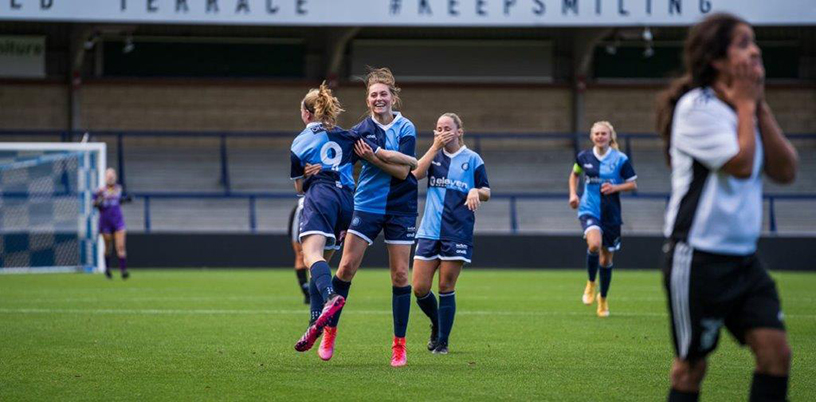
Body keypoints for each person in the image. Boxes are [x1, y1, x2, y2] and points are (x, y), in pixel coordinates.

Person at [656, 13, 798, 402]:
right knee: (691, 368)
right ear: (717, 59)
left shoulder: (745, 107)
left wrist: (759, 106)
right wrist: (748, 107)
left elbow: (786, 171)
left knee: (776, 354)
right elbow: (738, 165)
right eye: (743, 43)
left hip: (744, 261)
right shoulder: (696, 107)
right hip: (698, 260)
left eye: (754, 41)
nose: (755, 50)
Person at [290, 82, 410, 355]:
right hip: (347, 201)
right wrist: (414, 162)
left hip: (321, 197)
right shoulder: (345, 135)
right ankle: (315, 322)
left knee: (312, 256)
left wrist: (311, 175)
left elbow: (299, 186)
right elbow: (381, 154)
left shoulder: (299, 142)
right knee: (325, 262)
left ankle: (331, 297)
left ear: (307, 114)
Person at [327, 67, 419, 367]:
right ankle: (330, 331)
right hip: (366, 205)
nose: (379, 98)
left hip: (400, 207)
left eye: (384, 93)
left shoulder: (406, 128)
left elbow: (404, 173)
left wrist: (371, 157)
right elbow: (335, 155)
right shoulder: (359, 131)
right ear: (368, 101)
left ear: (393, 97)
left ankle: (399, 346)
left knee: (401, 275)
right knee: (346, 267)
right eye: (374, 95)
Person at [411, 113, 490, 355]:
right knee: (419, 288)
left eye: (447, 128)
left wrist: (477, 191)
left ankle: (443, 341)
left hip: (457, 231)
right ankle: (437, 323)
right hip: (429, 230)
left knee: (446, 285)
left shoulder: (473, 159)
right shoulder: (434, 156)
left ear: (459, 131)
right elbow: (415, 174)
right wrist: (434, 147)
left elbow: (487, 190)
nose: (443, 132)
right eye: (438, 128)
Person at [568, 121, 637, 317]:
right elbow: (574, 175)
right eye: (596, 133)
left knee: (606, 259)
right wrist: (573, 194)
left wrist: (615, 188)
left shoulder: (620, 159)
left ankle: (603, 298)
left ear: (610, 136)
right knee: (594, 245)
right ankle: (591, 283)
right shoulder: (584, 157)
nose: (600, 137)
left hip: (612, 215)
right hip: (589, 209)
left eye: (603, 134)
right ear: (592, 136)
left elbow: (632, 184)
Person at [94, 168, 131, 280]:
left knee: (120, 246)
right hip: (105, 222)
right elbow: (94, 204)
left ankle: (123, 271)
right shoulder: (100, 190)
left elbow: (118, 202)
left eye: (112, 175)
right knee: (108, 247)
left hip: (118, 221)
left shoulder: (118, 189)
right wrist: (98, 202)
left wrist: (126, 199)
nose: (111, 177)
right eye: (108, 175)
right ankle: (107, 269)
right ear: (105, 177)